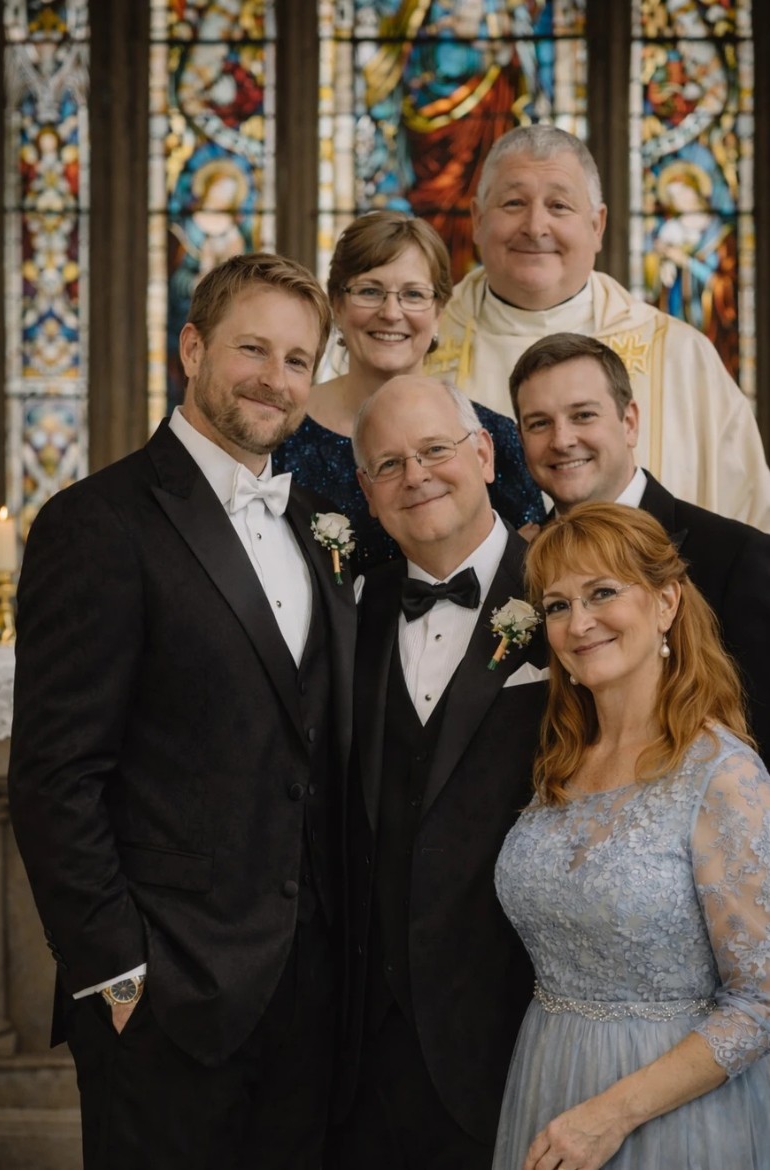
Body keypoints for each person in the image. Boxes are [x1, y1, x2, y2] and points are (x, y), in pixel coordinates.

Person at [8, 254, 357, 1170]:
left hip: (312, 993)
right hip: (166, 995)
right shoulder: (99, 521)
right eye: (252, 348)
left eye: (296, 359)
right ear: (191, 348)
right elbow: (56, 775)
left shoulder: (320, 524)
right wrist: (118, 970)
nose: (275, 379)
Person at [493, 502, 770, 1170]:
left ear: (667, 601)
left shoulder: (725, 775)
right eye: (557, 606)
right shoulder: (558, 762)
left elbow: (761, 1002)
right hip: (547, 1082)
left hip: (670, 1116)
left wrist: (609, 1117)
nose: (579, 623)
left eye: (603, 594)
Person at [329, 374, 548, 1169]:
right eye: (388, 465)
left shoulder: (568, 598)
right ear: (366, 491)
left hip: (511, 1036)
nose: (415, 475)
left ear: (485, 453)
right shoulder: (346, 609)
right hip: (363, 1055)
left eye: (434, 450)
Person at [430, 124, 770, 530]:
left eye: (559, 206)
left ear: (597, 225)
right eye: (513, 203)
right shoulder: (421, 348)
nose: (536, 226)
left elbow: (750, 525)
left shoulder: (680, 356)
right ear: (477, 219)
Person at [509, 331, 770, 761]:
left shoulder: (737, 557)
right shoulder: (515, 560)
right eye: (539, 423)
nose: (561, 440)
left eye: (583, 415)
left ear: (629, 421)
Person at [274, 211, 543, 570]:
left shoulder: (492, 437)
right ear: (337, 305)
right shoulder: (282, 434)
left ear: (439, 312)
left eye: (413, 295)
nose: (390, 312)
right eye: (370, 291)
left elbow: (528, 567)